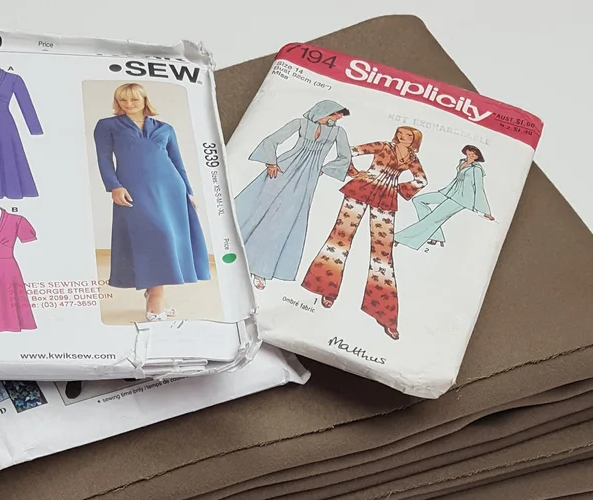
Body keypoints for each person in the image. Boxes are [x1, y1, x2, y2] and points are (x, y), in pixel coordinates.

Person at [93, 83, 210, 322]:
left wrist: (188, 191)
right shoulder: (107, 126)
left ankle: (154, 293)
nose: (128, 104)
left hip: (171, 188)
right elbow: (104, 159)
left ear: (145, 100)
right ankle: (156, 296)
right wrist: (114, 186)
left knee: (166, 239)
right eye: (123, 100)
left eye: (134, 99)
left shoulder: (165, 128)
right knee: (156, 236)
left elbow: (177, 162)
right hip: (133, 189)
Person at [300, 126, 427, 340]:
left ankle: (383, 314)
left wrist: (400, 188)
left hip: (386, 197)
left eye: (408, 136)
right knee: (339, 239)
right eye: (400, 134)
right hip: (361, 188)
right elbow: (349, 150)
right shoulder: (383, 146)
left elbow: (422, 180)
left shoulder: (412, 159)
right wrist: (353, 171)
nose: (402, 138)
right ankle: (324, 289)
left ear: (414, 140)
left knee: (383, 254)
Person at [233, 101, 352, 290]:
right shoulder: (300, 123)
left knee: (284, 222)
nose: (338, 118)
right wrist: (271, 163)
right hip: (282, 168)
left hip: (307, 179)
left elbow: (345, 156)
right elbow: (271, 141)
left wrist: (324, 169)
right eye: (336, 114)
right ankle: (234, 255)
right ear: (325, 111)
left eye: (339, 115)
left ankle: (261, 269)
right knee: (260, 209)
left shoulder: (338, 132)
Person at [394, 144, 494, 251]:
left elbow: (479, 187)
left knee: (433, 218)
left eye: (474, 154)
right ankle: (436, 236)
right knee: (418, 200)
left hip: (461, 199)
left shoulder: (477, 169)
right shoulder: (462, 162)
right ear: (466, 151)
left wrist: (485, 211)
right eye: (470, 152)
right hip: (449, 192)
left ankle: (400, 238)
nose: (471, 155)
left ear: (477, 157)